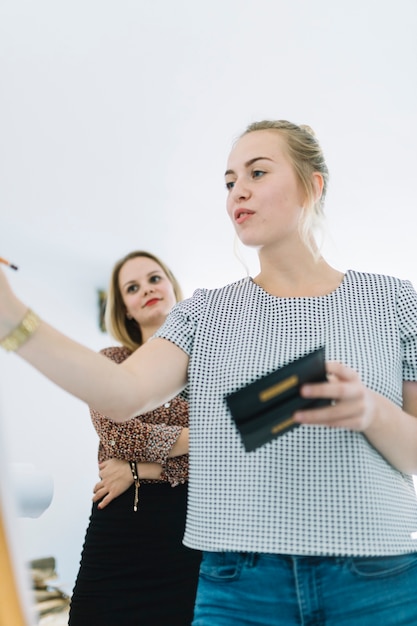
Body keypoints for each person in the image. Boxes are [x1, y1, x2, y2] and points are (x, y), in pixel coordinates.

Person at [1, 120, 417, 625]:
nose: (237, 191)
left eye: (257, 172)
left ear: (313, 184)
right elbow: (120, 392)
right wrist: (13, 319)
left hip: (379, 577)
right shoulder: (204, 314)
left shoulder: (396, 302)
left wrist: (372, 411)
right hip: (237, 585)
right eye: (228, 182)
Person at [69, 250, 201, 625]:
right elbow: (120, 433)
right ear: (125, 307)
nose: (146, 290)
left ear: (172, 287)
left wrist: (138, 469)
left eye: (154, 279)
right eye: (132, 287)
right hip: (120, 533)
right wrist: (206, 434)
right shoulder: (110, 360)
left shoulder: (211, 366)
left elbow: (233, 448)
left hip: (191, 533)